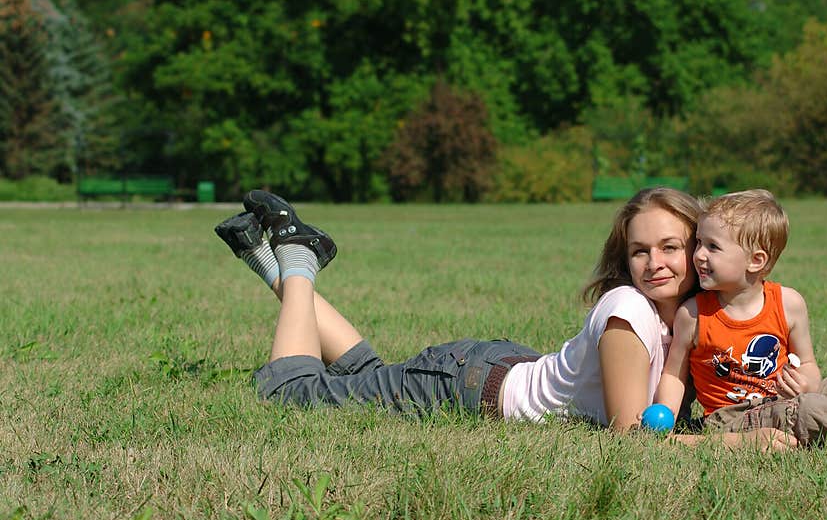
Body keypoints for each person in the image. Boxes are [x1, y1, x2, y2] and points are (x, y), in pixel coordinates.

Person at [215, 187, 794, 450]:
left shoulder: (697, 316)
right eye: (640, 251)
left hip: (491, 369)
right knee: (294, 392)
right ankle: (297, 261)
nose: (656, 263)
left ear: (701, 251)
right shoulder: (629, 313)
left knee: (363, 380)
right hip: (464, 389)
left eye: (672, 247)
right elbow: (629, 438)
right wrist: (745, 448)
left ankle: (265, 259)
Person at [653, 189, 827, 446]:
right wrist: (666, 416)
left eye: (713, 246)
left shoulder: (788, 304)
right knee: (809, 410)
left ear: (756, 260)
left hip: (789, 399)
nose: (699, 255)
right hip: (733, 418)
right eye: (699, 242)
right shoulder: (693, 314)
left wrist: (805, 382)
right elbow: (673, 375)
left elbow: (808, 364)